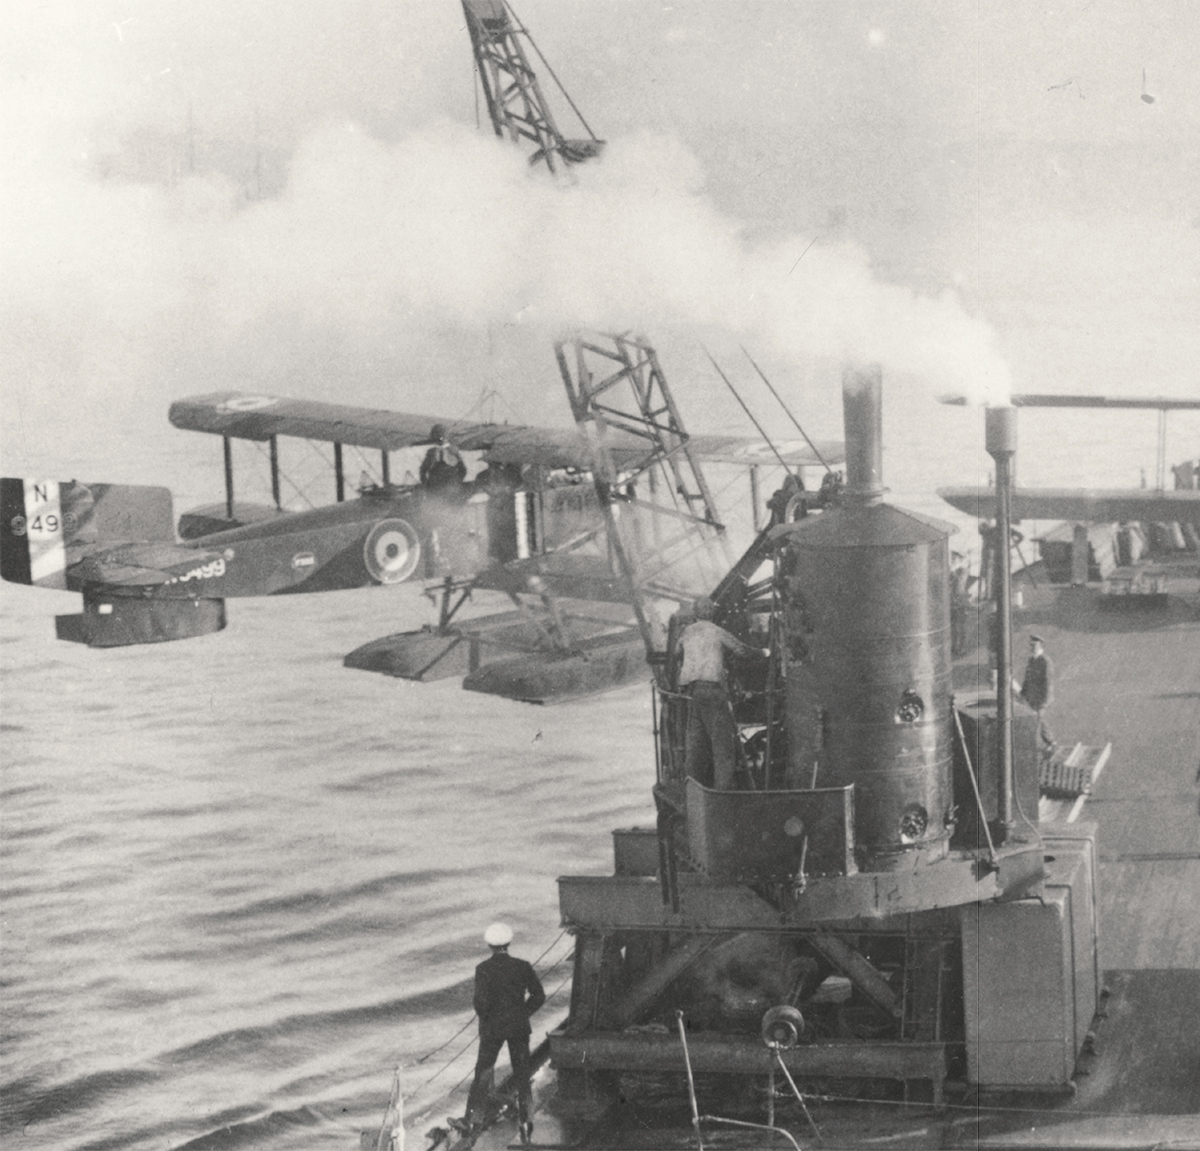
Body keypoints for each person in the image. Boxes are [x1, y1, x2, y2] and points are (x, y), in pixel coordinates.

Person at [461, 922, 545, 1143]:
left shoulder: (483, 969)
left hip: (493, 1029)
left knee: (483, 1073)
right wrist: (523, 1013)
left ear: (489, 945)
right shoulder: (523, 966)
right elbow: (539, 995)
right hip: (518, 1027)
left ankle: (472, 1122)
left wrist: (489, 1018)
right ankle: (526, 1123)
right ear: (508, 943)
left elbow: (480, 1003)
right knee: (522, 1074)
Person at [676, 597, 762, 790]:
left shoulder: (687, 632)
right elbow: (741, 650)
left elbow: (675, 652)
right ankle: (723, 794)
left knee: (695, 747)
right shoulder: (716, 631)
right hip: (713, 691)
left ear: (695, 613)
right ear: (711, 612)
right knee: (723, 747)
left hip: (693, 692)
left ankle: (693, 791)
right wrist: (764, 652)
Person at [1016, 633, 1056, 754]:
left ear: (1040, 646)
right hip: (1031, 697)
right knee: (1039, 719)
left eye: (1035, 645)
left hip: (1041, 698)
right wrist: (1023, 692)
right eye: (1031, 645)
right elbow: (1027, 678)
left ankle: (1049, 742)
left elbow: (1048, 682)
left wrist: (1045, 701)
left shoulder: (1045, 661)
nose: (1032, 648)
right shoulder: (1031, 659)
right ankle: (1050, 741)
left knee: (1036, 720)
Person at [420, 424, 467, 495]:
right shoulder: (432, 452)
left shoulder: (453, 450)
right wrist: (427, 484)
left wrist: (457, 482)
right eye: (437, 436)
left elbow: (463, 470)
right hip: (437, 487)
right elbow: (423, 470)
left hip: (449, 487)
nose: (440, 438)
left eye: (441, 435)